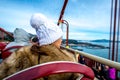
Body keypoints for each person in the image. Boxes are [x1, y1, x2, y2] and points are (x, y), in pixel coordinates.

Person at [0, 13, 79, 80]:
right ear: (53, 40)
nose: (61, 40)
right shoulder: (68, 60)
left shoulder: (20, 55)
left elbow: (3, 73)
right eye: (60, 38)